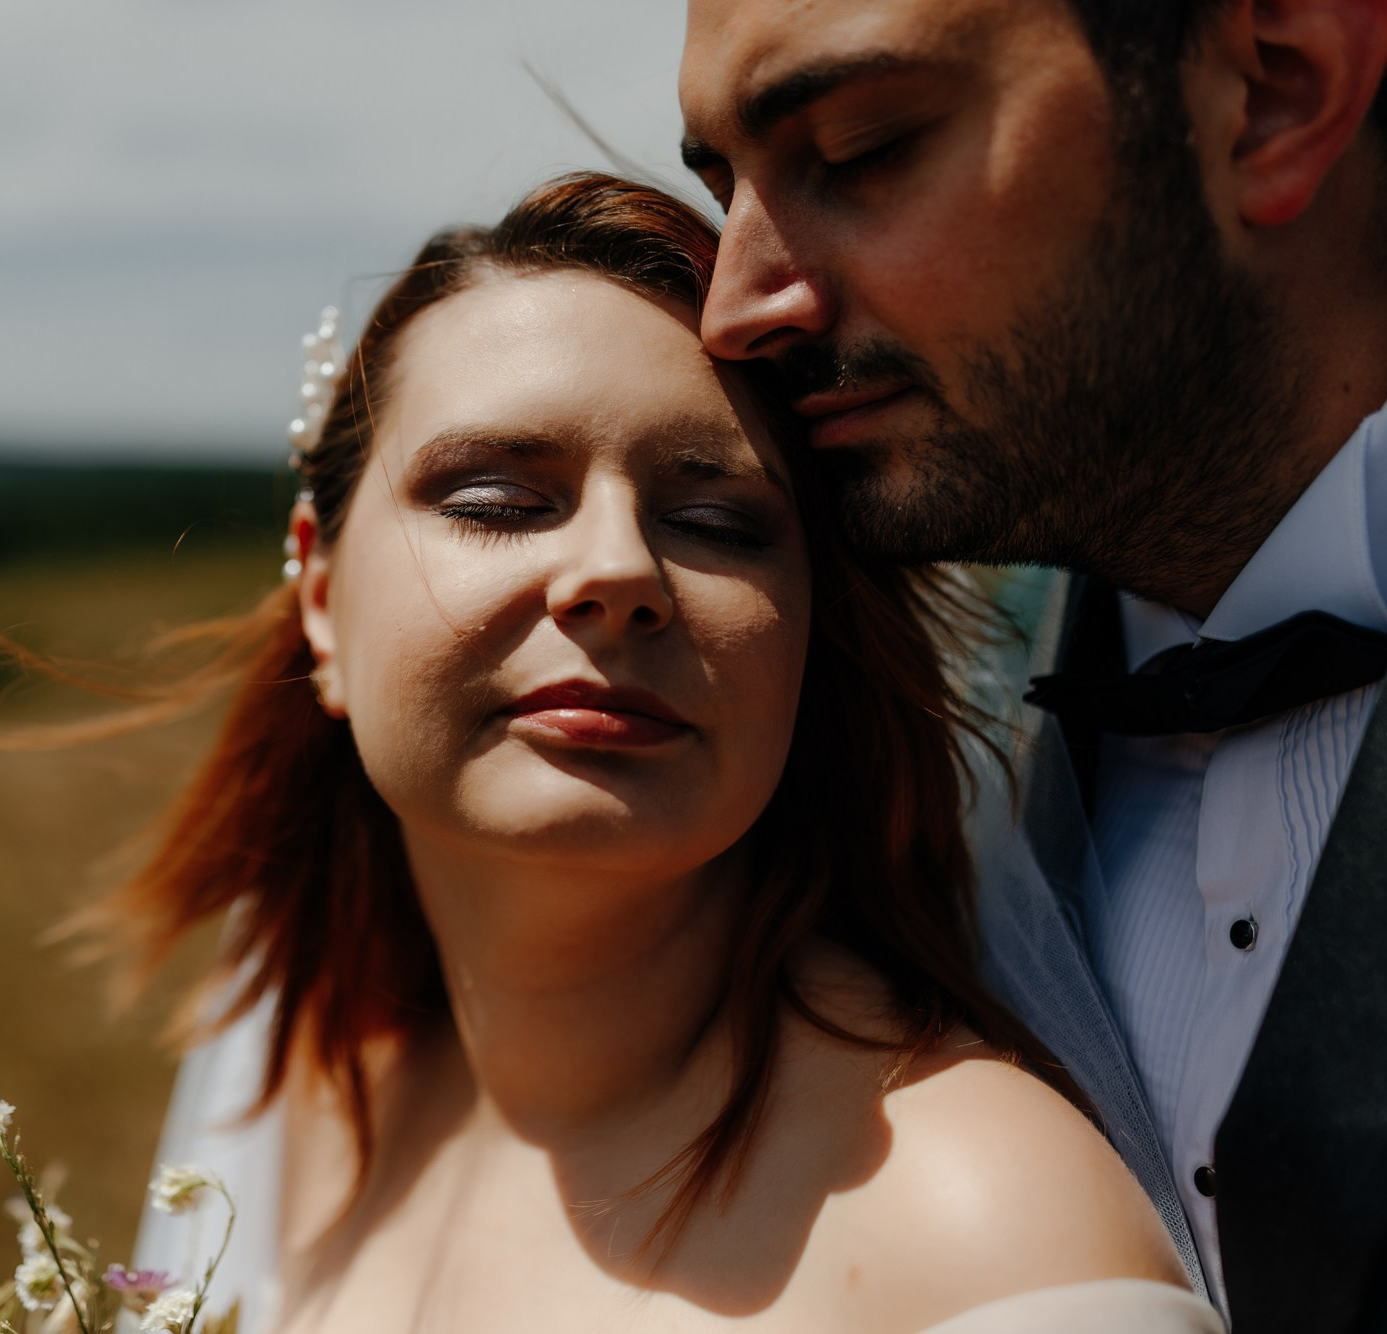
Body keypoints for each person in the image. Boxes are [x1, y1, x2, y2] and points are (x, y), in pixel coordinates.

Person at [116, 174, 1216, 1332]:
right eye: (496, 499)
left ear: (810, 635)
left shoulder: (986, 1232)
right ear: (322, 594)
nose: (616, 574)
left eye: (715, 524)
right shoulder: (295, 1074)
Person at [676, 0, 1387, 1325]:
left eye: (862, 147)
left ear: (1276, 92)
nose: (734, 308)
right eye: (723, 191)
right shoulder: (894, 792)